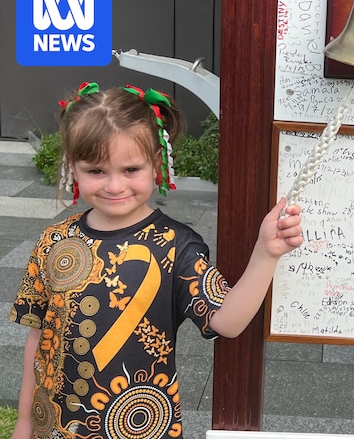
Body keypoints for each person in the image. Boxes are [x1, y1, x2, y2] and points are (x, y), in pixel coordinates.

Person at [9, 82, 303, 439]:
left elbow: (227, 322)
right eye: (96, 171)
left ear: (157, 163)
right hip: (54, 427)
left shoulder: (177, 245)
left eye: (130, 169)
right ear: (73, 167)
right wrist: (25, 423)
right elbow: (37, 341)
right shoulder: (53, 241)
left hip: (141, 426)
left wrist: (266, 254)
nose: (114, 186)